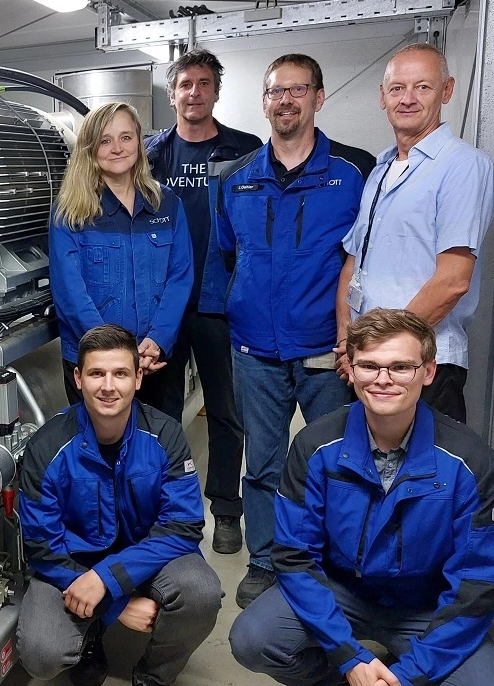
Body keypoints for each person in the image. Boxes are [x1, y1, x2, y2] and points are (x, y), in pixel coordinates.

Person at [229, 308, 494, 686]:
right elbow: (293, 556)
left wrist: (408, 677)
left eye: (400, 366)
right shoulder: (315, 447)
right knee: (252, 639)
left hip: (428, 608)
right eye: (369, 365)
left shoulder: (471, 462)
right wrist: (350, 661)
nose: (383, 378)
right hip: (343, 593)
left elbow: (477, 584)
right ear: (348, 369)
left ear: (428, 372)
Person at [215, 54, 376, 607]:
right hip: (255, 350)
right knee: (261, 461)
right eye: (274, 92)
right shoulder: (237, 181)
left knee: (335, 463)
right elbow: (228, 253)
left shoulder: (353, 173)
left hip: (324, 352)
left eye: (296, 90)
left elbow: (362, 259)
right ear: (264, 102)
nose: (285, 101)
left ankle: (328, 562)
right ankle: (263, 561)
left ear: (318, 96)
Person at [17, 324, 222, 686]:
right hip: (71, 568)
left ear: (138, 378)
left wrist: (107, 581)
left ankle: (152, 682)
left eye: (120, 374)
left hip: (149, 557)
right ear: (77, 379)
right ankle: (88, 636)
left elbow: (183, 526)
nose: (108, 387)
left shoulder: (164, 435)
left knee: (201, 592)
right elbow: (42, 548)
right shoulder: (47, 447)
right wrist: (115, 605)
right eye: (96, 374)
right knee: (41, 652)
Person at [334, 44, 494, 425]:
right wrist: (347, 341)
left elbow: (453, 282)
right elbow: (353, 265)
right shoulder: (380, 169)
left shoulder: (464, 167)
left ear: (447, 91)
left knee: (423, 479)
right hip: (371, 365)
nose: (407, 99)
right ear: (382, 96)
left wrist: (378, 349)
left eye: (423, 87)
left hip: (424, 366)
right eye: (397, 89)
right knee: (372, 477)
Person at [146, 48, 263, 557]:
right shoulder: (151, 155)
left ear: (216, 90)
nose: (194, 92)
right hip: (165, 306)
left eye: (203, 83)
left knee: (225, 412)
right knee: (164, 410)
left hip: (221, 302)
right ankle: (171, 507)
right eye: (185, 84)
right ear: (172, 94)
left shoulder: (246, 149)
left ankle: (226, 511)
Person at [50, 101, 195, 418]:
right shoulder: (71, 210)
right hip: (95, 364)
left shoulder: (166, 203)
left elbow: (180, 276)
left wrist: (157, 340)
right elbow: (70, 291)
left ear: (139, 143)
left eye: (126, 137)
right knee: (97, 456)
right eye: (105, 140)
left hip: (154, 359)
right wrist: (117, 355)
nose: (117, 148)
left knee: (158, 450)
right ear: (90, 148)